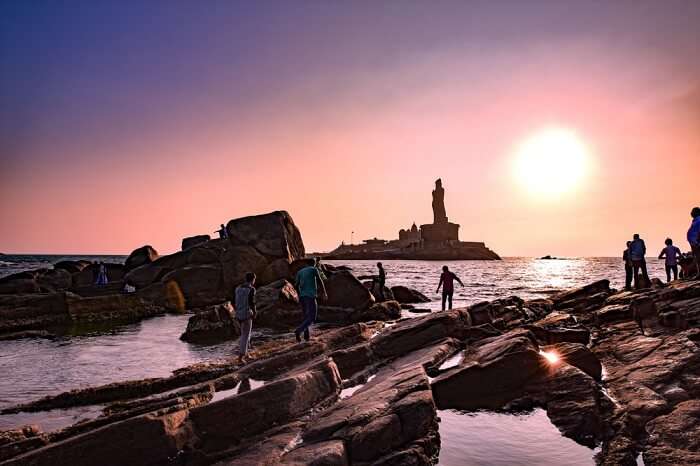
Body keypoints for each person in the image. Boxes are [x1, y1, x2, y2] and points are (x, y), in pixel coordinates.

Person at [294, 258, 327, 342]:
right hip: (310, 296)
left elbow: (296, 285)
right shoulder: (314, 269)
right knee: (312, 317)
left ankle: (306, 336)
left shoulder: (300, 272)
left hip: (302, 296)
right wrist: (324, 292)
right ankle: (298, 331)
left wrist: (299, 294)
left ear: (306, 264)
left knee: (306, 317)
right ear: (314, 263)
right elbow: (320, 280)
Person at [234, 272, 257, 364]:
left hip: (238, 313)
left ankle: (246, 354)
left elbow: (236, 300)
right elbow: (252, 303)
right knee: (245, 335)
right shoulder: (251, 289)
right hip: (246, 313)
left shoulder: (238, 288)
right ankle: (241, 357)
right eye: (254, 279)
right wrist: (254, 312)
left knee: (245, 334)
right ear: (252, 279)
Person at [688, 207, 700, 279]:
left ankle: (692, 268)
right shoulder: (695, 220)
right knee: (697, 257)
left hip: (697, 241)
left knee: (698, 257)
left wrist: (698, 240)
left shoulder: (699, 219)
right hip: (694, 242)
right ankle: (699, 273)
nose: (691, 213)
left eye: (693, 211)